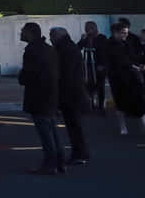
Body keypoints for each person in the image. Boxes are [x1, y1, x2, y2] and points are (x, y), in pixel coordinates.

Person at [18, 22, 65, 175]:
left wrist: (22, 77)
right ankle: (59, 161)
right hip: (50, 94)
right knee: (52, 129)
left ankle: (50, 163)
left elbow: (29, 74)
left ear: (30, 33)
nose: (20, 33)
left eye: (23, 31)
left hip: (38, 95)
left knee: (45, 132)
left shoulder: (32, 51)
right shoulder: (49, 49)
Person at [108, 22, 145, 136]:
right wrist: (136, 66)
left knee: (139, 100)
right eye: (123, 33)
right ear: (115, 33)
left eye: (126, 32)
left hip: (131, 76)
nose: (125, 35)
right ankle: (123, 126)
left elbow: (133, 57)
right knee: (120, 101)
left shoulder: (127, 43)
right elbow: (119, 60)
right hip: (118, 78)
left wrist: (140, 65)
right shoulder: (110, 44)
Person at [49, 27, 91, 165]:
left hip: (70, 94)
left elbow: (64, 75)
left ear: (57, 36)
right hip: (74, 93)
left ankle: (80, 153)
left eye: (51, 36)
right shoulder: (70, 47)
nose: (50, 39)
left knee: (74, 126)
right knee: (74, 126)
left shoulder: (64, 50)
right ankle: (80, 153)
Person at [77, 21, 108, 112]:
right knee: (89, 85)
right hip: (88, 66)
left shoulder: (102, 38)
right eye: (86, 28)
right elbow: (77, 47)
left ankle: (101, 106)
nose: (87, 30)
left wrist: (102, 65)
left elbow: (104, 53)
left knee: (100, 86)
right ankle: (91, 105)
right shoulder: (86, 38)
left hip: (99, 66)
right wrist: (82, 39)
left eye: (89, 28)